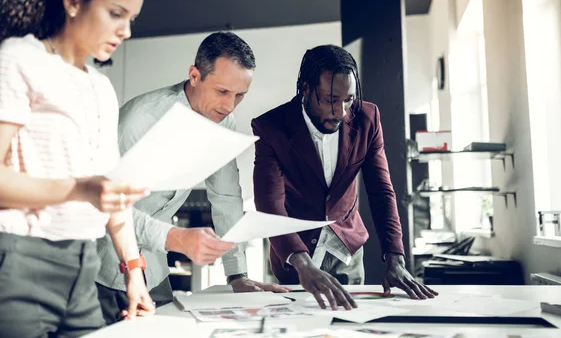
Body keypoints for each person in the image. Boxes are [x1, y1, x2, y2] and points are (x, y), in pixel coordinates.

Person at [0, 0, 155, 337]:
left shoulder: (102, 88)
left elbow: (108, 190)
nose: (126, 30)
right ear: (73, 1)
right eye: (116, 14)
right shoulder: (19, 59)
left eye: (132, 18)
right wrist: (79, 188)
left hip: (83, 270)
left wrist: (133, 271)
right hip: (20, 263)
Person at [95, 31, 288, 324]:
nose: (229, 106)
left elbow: (226, 197)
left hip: (155, 272)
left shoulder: (224, 120)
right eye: (223, 92)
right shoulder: (140, 120)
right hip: (103, 271)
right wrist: (177, 239)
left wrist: (237, 274)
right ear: (194, 76)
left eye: (240, 95)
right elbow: (103, 205)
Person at [252, 45, 438, 310]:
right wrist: (303, 264)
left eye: (348, 99)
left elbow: (381, 191)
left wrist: (395, 257)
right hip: (296, 256)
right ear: (305, 88)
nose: (340, 111)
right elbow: (270, 204)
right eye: (330, 100)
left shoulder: (367, 118)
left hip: (348, 251)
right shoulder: (271, 127)